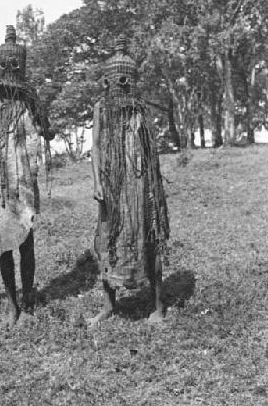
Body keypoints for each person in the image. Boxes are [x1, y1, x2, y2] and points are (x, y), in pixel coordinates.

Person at [89, 35, 170, 328]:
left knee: (149, 240)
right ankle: (110, 305)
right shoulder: (101, 108)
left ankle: (158, 306)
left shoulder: (139, 109)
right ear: (108, 81)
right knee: (106, 239)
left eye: (126, 78)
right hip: (111, 184)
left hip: (139, 184)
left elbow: (150, 152)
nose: (121, 83)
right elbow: (96, 146)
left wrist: (151, 190)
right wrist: (98, 182)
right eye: (117, 79)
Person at [0, 25, 54, 328]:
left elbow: (49, 132)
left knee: (26, 242)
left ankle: (28, 299)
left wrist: (43, 119)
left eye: (14, 64)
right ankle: (11, 304)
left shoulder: (29, 101)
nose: (9, 69)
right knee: (4, 244)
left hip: (24, 180)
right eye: (5, 64)